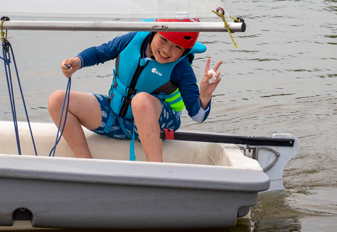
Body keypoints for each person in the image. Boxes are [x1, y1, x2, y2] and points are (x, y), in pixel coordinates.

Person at [48, 19, 222, 162]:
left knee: (140, 100)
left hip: (157, 126)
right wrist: (78, 61)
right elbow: (102, 52)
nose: (167, 50)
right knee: (57, 100)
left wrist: (205, 95)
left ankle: (157, 173)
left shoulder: (182, 68)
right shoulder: (132, 40)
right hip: (115, 119)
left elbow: (198, 116)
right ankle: (87, 165)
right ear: (154, 32)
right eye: (164, 39)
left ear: (186, 50)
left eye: (177, 47)